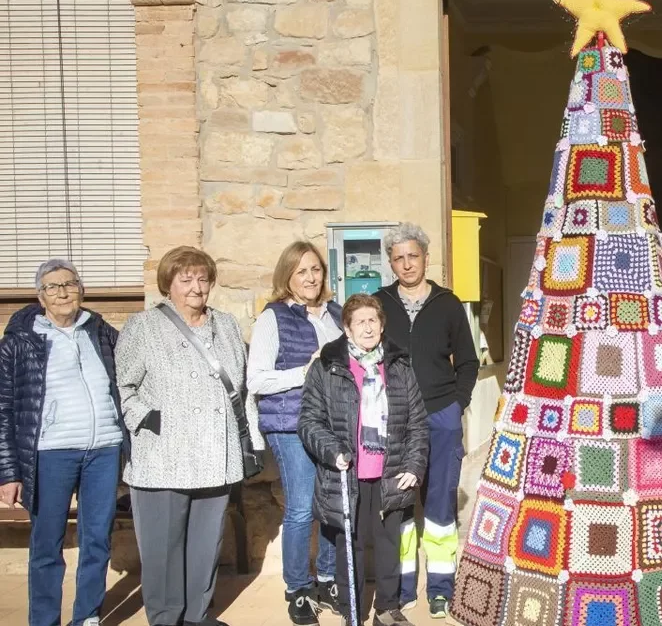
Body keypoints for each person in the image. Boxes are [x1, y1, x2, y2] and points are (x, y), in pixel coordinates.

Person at [117, 246, 264, 626]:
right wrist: (149, 421)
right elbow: (123, 387)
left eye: (203, 278)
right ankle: (166, 618)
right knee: (163, 549)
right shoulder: (143, 326)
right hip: (164, 455)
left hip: (216, 453)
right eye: (186, 279)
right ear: (168, 284)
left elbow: (242, 389)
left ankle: (197, 615)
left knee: (205, 544)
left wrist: (251, 441)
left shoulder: (226, 325)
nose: (196, 287)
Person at [0, 259, 123, 626]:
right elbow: (3, 407)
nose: (62, 292)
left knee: (97, 539)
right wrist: (8, 471)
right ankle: (44, 620)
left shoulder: (100, 332)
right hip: (50, 453)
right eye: (52, 287)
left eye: (69, 284)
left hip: (104, 448)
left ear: (81, 290)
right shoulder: (19, 342)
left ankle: (87, 616)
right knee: (46, 545)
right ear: (40, 297)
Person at [299, 294, 430, 626]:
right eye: (360, 322)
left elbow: (417, 422)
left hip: (390, 471)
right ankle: (351, 611)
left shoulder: (399, 366)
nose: (368, 328)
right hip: (347, 474)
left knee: (388, 545)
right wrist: (332, 451)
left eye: (373, 320)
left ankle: (387, 609)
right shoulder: (327, 367)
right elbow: (310, 421)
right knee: (350, 547)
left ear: (382, 325)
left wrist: (414, 466)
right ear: (347, 328)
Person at [373, 223, 479, 619]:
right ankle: (403, 587)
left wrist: (457, 404)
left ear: (426, 258)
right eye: (398, 258)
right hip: (396, 420)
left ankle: (440, 588)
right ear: (390, 263)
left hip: (441, 415)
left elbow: (468, 362)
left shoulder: (448, 304)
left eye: (412, 256)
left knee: (440, 501)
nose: (406, 264)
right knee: (399, 504)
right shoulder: (379, 303)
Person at [248, 242, 344, 623]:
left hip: (333, 424)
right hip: (290, 424)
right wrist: (305, 372)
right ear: (287, 276)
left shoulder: (336, 314)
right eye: (301, 271)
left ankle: (327, 579)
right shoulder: (273, 317)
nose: (310, 277)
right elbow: (256, 379)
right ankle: (298, 588)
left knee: (332, 504)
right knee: (302, 507)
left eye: (316, 269)